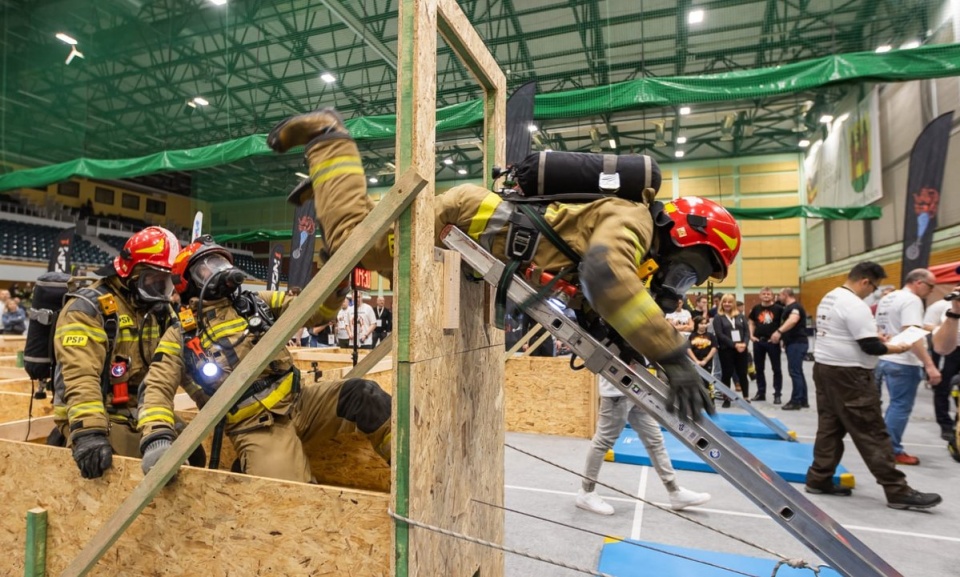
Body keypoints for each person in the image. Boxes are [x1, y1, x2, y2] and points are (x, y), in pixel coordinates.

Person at [267, 108, 743, 422]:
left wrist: (633, 340)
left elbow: (598, 291)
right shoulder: (635, 219)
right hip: (464, 225)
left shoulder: (633, 239)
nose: (676, 287)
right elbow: (603, 276)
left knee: (343, 257)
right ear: (680, 232)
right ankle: (328, 137)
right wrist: (673, 354)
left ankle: (328, 198)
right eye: (684, 273)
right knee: (352, 240)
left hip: (472, 242)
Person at [165, 237, 392, 482]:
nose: (219, 270)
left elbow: (310, 310)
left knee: (364, 395)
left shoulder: (256, 302)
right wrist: (157, 437)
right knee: (290, 494)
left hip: (300, 404)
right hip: (257, 427)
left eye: (220, 262)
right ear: (188, 282)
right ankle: (251, 467)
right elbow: (157, 387)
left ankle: (411, 471)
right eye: (208, 266)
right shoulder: (180, 335)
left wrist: (337, 283)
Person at [51, 226, 188, 479]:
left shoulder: (160, 311)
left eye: (167, 283)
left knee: (191, 454)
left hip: (139, 409)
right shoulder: (87, 309)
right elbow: (81, 376)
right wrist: (89, 431)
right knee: (137, 470)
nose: (161, 290)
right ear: (129, 271)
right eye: (153, 279)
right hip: (97, 410)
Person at [806, 262, 941, 510]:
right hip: (850, 376)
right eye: (873, 287)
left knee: (830, 426)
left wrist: (877, 339)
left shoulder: (831, 296)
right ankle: (897, 490)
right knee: (871, 431)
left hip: (825, 369)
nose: (872, 293)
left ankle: (819, 477)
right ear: (865, 281)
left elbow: (848, 334)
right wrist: (898, 347)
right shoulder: (855, 304)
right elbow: (871, 347)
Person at [577, 370, 712, 515]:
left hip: (639, 387)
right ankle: (586, 492)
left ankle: (675, 492)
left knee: (654, 440)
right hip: (617, 390)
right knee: (602, 442)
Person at [874, 269, 941, 466]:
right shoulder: (912, 300)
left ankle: (883, 446)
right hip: (904, 361)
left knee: (892, 405)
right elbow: (912, 334)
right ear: (918, 283)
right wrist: (929, 365)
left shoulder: (888, 298)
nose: (931, 290)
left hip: (885, 357)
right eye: (930, 286)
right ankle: (892, 450)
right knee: (900, 406)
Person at [771, 288, 809, 410]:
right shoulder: (789, 307)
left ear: (785, 295)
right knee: (798, 371)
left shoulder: (794, 307)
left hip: (797, 343)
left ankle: (796, 401)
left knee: (795, 372)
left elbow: (793, 320)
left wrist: (779, 332)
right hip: (793, 343)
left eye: (780, 295)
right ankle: (803, 399)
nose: (778, 297)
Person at [713, 293, 750, 407]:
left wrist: (744, 344)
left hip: (741, 349)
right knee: (726, 374)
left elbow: (747, 332)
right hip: (726, 350)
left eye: (729, 302)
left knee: (742, 373)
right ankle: (726, 398)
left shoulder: (741, 316)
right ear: (721, 303)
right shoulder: (718, 317)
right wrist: (735, 345)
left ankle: (746, 397)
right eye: (725, 302)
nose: (727, 304)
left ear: (733, 303)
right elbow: (720, 334)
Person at [748, 287, 783, 403]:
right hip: (758, 341)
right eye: (764, 294)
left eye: (768, 294)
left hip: (772, 342)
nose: (766, 296)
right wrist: (751, 335)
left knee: (776, 368)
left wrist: (779, 337)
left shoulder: (779, 309)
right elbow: (751, 322)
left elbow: (783, 324)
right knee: (759, 368)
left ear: (772, 296)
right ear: (760, 295)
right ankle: (761, 392)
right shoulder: (756, 308)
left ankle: (777, 394)